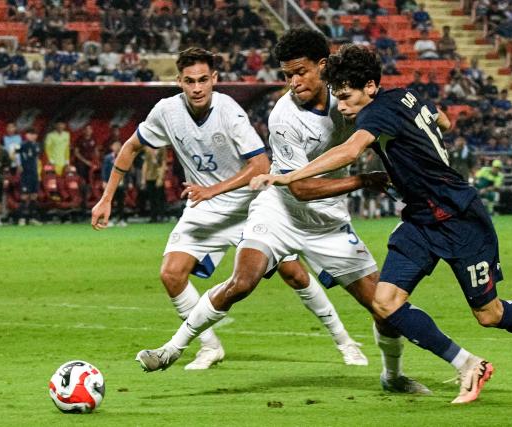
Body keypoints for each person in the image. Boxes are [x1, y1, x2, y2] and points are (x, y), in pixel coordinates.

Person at [252, 44, 512, 403]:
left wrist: (287, 176)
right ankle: (468, 365)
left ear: (370, 87)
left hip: (460, 218)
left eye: (346, 97)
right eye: (337, 97)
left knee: (489, 314)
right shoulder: (403, 96)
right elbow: (442, 120)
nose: (341, 107)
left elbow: (349, 152)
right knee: (385, 302)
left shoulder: (377, 114)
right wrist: (430, 134)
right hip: (420, 220)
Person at [135, 31, 431, 396]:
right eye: (287, 75)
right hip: (280, 211)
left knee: (383, 306)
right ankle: (172, 349)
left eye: (300, 72)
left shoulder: (350, 100)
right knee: (242, 281)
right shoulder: (284, 117)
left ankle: (393, 376)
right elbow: (301, 188)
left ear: (323, 67)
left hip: (329, 220)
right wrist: (364, 180)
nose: (293, 82)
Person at [92, 47, 367, 370]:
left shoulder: (229, 112)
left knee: (293, 273)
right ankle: (209, 347)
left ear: (215, 80)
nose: (197, 88)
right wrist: (106, 197)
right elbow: (131, 146)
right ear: (179, 81)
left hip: (246, 206)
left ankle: (345, 342)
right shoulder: (166, 111)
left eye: (204, 80)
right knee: (171, 274)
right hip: (203, 207)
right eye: (190, 81)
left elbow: (260, 164)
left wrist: (213, 189)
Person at [17, 129, 43, 226]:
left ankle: (32, 218)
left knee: (34, 196)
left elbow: (36, 160)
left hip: (34, 174)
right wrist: (19, 165)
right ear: (26, 135)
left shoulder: (36, 145)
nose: (33, 136)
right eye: (31, 134)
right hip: (25, 173)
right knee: (24, 196)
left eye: (34, 134)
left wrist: (38, 173)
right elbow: (15, 154)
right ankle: (21, 218)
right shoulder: (22, 145)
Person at [100, 141, 128, 228]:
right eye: (115, 146)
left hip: (121, 183)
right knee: (110, 202)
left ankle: (121, 220)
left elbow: (127, 169)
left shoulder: (123, 156)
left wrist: (129, 181)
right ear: (112, 147)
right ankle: (109, 220)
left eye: (119, 146)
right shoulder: (108, 158)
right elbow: (104, 170)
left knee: (121, 203)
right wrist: (104, 181)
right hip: (110, 183)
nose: (117, 147)